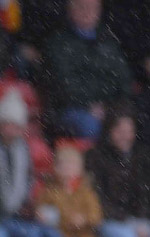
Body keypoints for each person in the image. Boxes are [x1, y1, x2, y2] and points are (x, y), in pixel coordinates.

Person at [0, 89, 64, 237]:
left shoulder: (23, 151)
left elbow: (27, 185)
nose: (11, 129)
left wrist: (30, 210)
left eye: (16, 125)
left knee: (39, 236)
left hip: (18, 215)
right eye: (7, 123)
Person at [43, 0, 131, 139]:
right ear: (71, 10)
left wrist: (108, 107)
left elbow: (124, 81)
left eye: (92, 8)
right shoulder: (58, 43)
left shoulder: (109, 41)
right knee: (90, 125)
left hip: (109, 108)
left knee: (131, 123)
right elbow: (64, 85)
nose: (87, 12)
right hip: (71, 109)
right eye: (81, 7)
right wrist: (89, 105)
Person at [85, 108, 150, 237]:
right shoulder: (95, 157)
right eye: (120, 131)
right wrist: (126, 221)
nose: (125, 136)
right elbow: (97, 199)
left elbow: (145, 195)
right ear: (109, 131)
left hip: (138, 220)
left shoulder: (141, 158)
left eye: (129, 131)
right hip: (107, 222)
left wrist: (141, 220)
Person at [36, 144, 102, 237]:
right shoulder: (48, 191)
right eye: (63, 164)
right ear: (55, 168)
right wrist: (41, 215)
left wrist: (84, 219)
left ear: (80, 169)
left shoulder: (86, 192)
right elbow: (41, 211)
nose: (67, 168)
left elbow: (96, 216)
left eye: (72, 165)